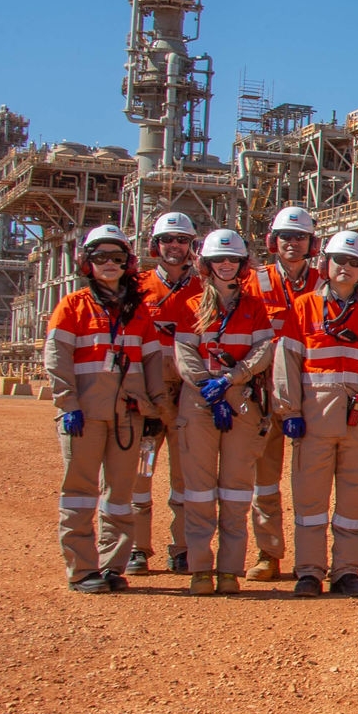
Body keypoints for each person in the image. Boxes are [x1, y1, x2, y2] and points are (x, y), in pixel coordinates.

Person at [271, 231, 358, 597]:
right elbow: (287, 362)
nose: (345, 268)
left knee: (352, 500)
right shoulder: (304, 308)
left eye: (354, 263)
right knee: (310, 500)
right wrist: (290, 410)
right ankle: (309, 572)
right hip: (313, 419)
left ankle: (346, 570)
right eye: (339, 261)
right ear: (325, 264)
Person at [46, 225, 156, 593]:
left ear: (129, 262)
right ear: (87, 263)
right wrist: (67, 404)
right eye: (100, 258)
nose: (109, 264)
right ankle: (81, 571)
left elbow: (152, 363)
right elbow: (56, 359)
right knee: (79, 493)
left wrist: (152, 411)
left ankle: (112, 566)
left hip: (127, 415)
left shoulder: (138, 311)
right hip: (85, 415)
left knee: (120, 495)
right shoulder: (73, 305)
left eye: (117, 258)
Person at [171, 230, 276, 596]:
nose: (226, 265)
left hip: (240, 399)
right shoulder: (191, 306)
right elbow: (184, 355)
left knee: (235, 490)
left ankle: (229, 569)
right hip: (200, 402)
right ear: (207, 265)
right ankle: (201, 568)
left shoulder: (254, 307)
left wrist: (233, 378)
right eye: (219, 260)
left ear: (242, 265)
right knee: (199, 490)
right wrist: (206, 386)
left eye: (232, 260)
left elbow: (264, 350)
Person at [248, 206, 320, 580]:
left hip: (312, 395)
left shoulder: (328, 281)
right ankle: (268, 553)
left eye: (300, 237)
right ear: (272, 241)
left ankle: (312, 559)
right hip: (263, 394)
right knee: (265, 478)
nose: (292, 244)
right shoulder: (253, 282)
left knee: (311, 481)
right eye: (286, 237)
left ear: (311, 244)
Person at [133, 210, 202, 574]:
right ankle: (136, 547)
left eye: (181, 240)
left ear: (192, 246)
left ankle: (183, 547)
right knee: (139, 472)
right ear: (154, 245)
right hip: (147, 397)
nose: (174, 246)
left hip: (186, 396)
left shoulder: (204, 289)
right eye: (167, 240)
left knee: (185, 475)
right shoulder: (138, 286)